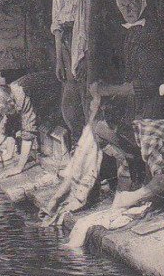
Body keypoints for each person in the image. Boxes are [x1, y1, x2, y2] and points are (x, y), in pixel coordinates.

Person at [93, 0, 164, 210]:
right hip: (137, 104)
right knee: (101, 127)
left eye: (131, 3)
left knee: (138, 138)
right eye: (122, 5)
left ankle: (152, 195)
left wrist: (109, 90)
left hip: (156, 104)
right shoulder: (131, 33)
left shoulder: (151, 34)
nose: (127, 9)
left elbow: (146, 84)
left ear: (143, 2)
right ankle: (134, 177)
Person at [40, 82, 135, 226]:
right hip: (105, 129)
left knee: (122, 161)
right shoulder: (94, 128)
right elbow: (79, 164)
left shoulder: (109, 128)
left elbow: (125, 163)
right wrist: (57, 198)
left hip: (123, 145)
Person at [51, 0, 91, 147]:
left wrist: (86, 52)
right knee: (69, 93)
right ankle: (77, 139)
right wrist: (59, 59)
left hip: (83, 40)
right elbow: (57, 25)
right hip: (66, 42)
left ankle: (91, 141)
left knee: (85, 90)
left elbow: (89, 20)